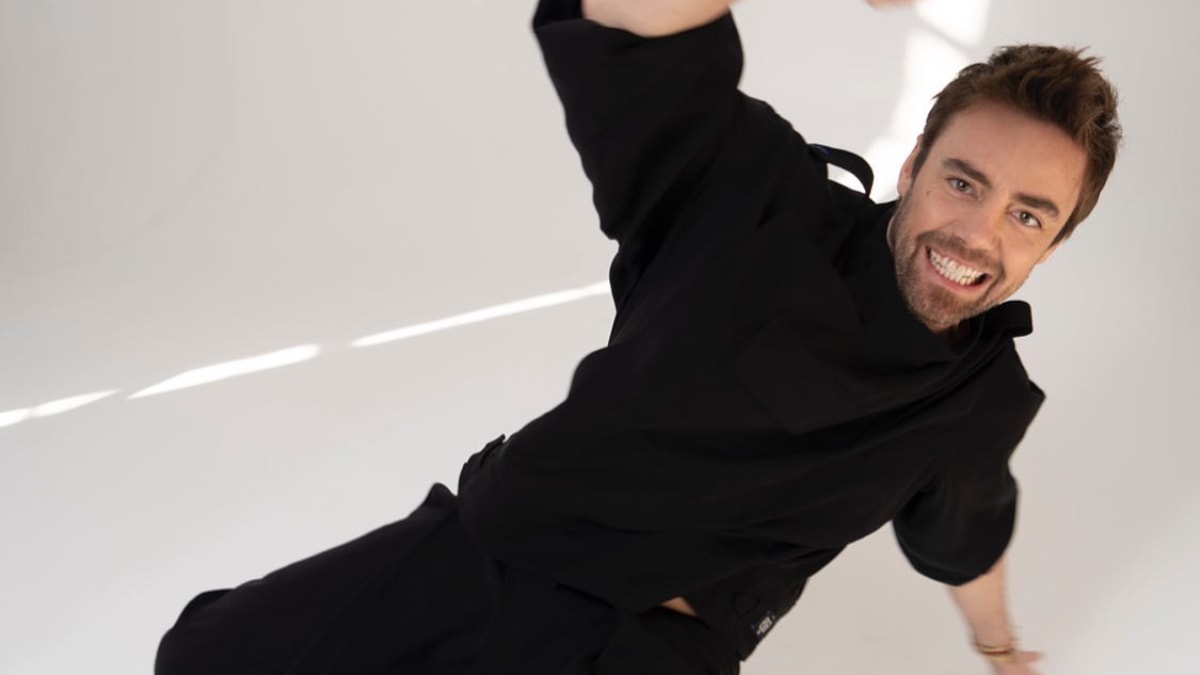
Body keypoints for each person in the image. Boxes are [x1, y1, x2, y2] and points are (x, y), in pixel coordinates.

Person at [155, 0, 1122, 673]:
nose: (978, 234)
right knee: (203, 657)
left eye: (1027, 215)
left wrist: (998, 646)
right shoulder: (751, 196)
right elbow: (627, 20)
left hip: (660, 649)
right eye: (963, 181)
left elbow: (965, 535)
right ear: (912, 165)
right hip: (505, 547)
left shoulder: (982, 396)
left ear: (1054, 242)